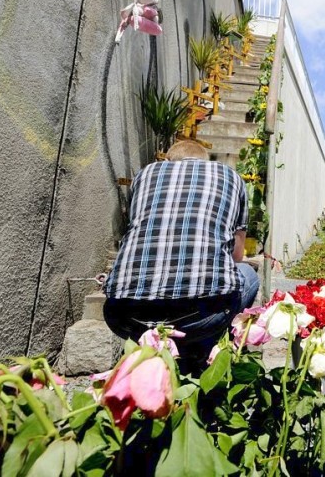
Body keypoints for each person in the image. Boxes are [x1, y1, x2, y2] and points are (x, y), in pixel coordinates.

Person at [103, 140, 260, 370]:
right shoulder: (230, 177)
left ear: (166, 161)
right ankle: (204, 352)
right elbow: (236, 255)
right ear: (206, 162)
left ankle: (160, 351)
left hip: (125, 316)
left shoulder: (145, 175)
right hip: (201, 317)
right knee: (248, 274)